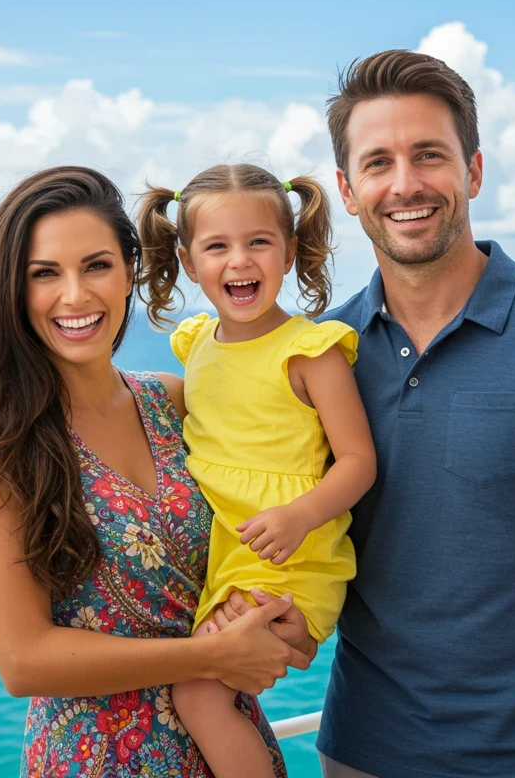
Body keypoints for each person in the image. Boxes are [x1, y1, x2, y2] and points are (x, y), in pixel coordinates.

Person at [221, 52, 515, 777]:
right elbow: (312, 533)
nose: (404, 184)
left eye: (428, 155)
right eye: (378, 163)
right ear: (347, 189)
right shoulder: (319, 360)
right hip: (359, 755)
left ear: (472, 171)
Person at [0, 166, 309, 777]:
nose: (76, 295)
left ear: (131, 271)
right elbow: (23, 660)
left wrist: (282, 621)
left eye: (97, 265)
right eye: (45, 274)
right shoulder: (1, 443)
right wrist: (210, 655)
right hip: (98, 760)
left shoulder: (177, 400)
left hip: (229, 745)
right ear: (14, 289)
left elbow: (264, 523)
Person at [136, 164, 376, 778]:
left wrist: (300, 515)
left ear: (290, 252)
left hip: (291, 553)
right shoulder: (196, 345)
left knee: (196, 690)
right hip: (225, 551)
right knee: (201, 684)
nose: (239, 261)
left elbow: (357, 461)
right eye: (217, 246)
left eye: (259, 242)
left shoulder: (310, 351)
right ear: (189, 262)